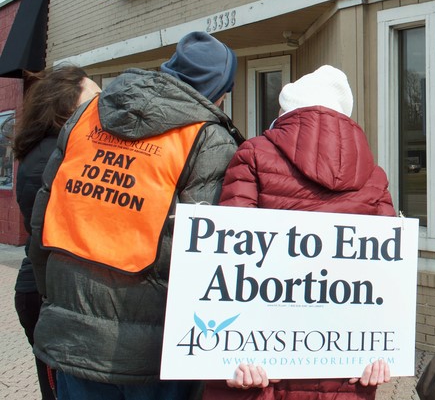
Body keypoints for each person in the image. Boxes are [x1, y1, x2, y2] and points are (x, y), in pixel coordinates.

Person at [29, 31, 242, 399]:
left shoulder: (88, 115)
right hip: (153, 357)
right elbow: (205, 255)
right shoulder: (206, 137)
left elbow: (43, 220)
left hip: (72, 336)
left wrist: (57, 303)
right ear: (219, 91)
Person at [208, 65, 393, 399]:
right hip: (343, 367)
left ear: (288, 112)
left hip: (262, 364)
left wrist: (228, 351)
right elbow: (384, 277)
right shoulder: (374, 176)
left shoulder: (252, 154)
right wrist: (382, 350)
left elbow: (229, 260)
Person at [12, 66, 100, 400]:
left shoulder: (53, 148)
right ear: (65, 103)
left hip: (46, 287)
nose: (100, 105)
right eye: (93, 98)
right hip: (47, 291)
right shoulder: (55, 155)